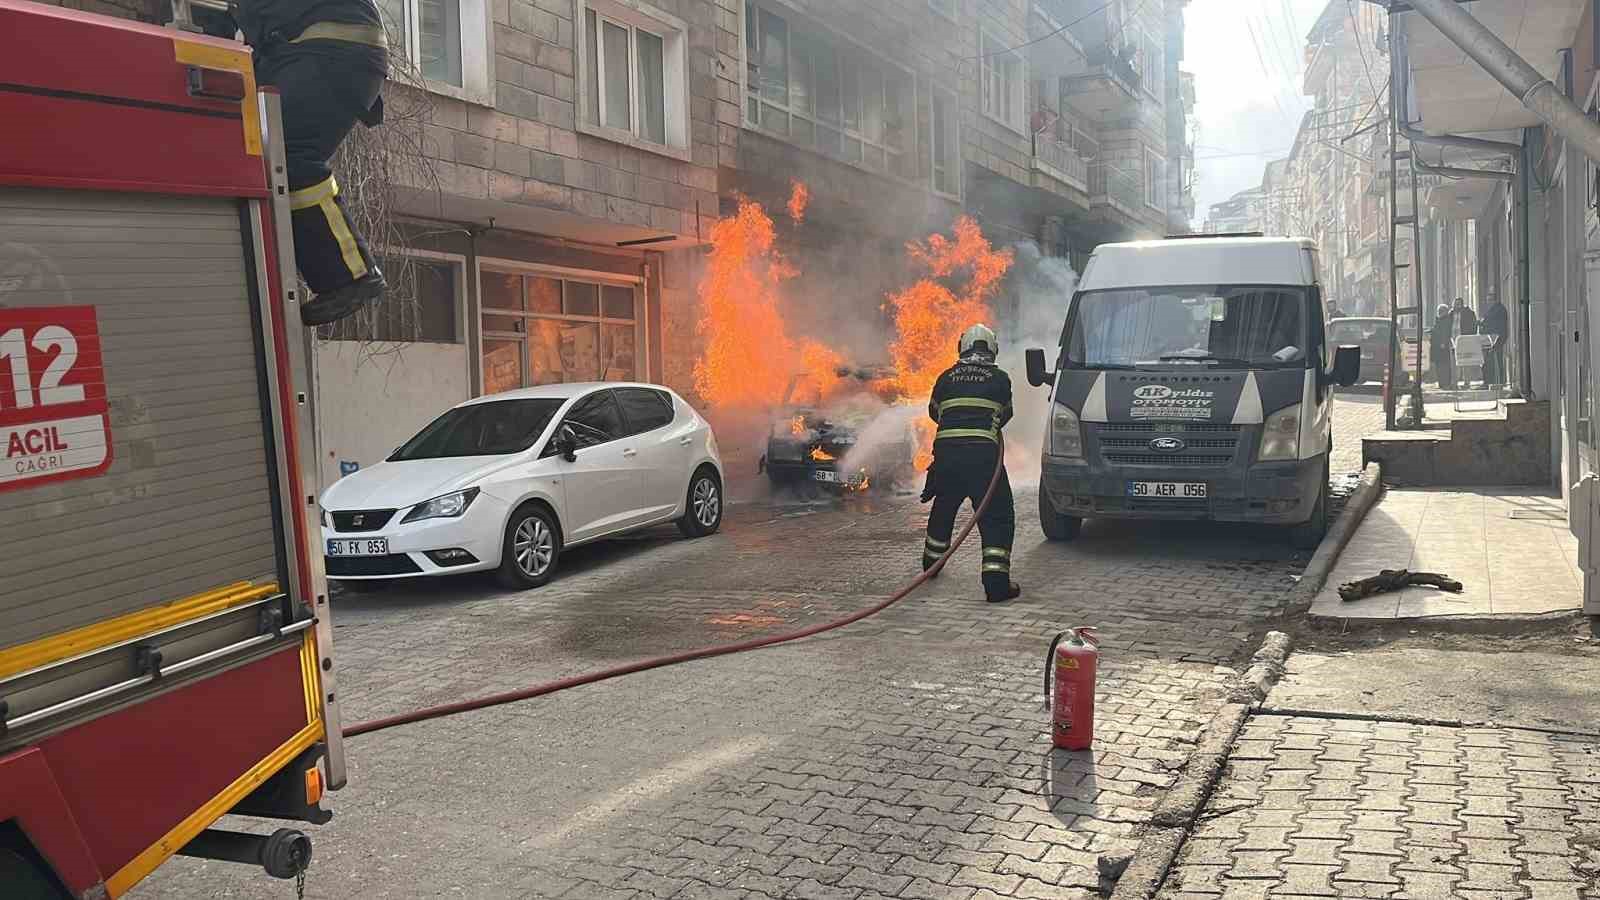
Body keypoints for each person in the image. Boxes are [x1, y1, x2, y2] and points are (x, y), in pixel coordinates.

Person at [196, 0, 389, 326]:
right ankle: (340, 274)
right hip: (329, 49)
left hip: (326, 50)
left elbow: (220, 18)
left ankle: (351, 276)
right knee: (277, 153)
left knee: (285, 152)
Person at [920, 324, 1020, 603]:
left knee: (943, 509)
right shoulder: (1000, 379)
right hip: (983, 460)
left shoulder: (945, 377)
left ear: (962, 347)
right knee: (997, 516)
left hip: (947, 458)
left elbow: (934, 412)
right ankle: (996, 585)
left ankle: (931, 566)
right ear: (993, 349)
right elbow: (1006, 414)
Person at [1482, 298, 1509, 385]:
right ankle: (1491, 381)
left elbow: (1498, 325)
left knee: (1496, 360)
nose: (1488, 302)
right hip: (1490, 338)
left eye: (1490, 300)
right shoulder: (1491, 309)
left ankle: (1497, 382)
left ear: (1494, 300)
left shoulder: (1499, 309)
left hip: (1496, 338)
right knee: (1491, 361)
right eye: (1487, 300)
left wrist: (1498, 338)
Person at [1430, 302, 1455, 390]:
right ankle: (1442, 383)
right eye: (1439, 310)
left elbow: (1445, 332)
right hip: (1437, 346)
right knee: (1439, 365)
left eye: (1441, 311)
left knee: (1443, 365)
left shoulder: (1445, 320)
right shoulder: (1440, 319)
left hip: (1441, 346)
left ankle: (1445, 383)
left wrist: (1443, 343)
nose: (1439, 312)